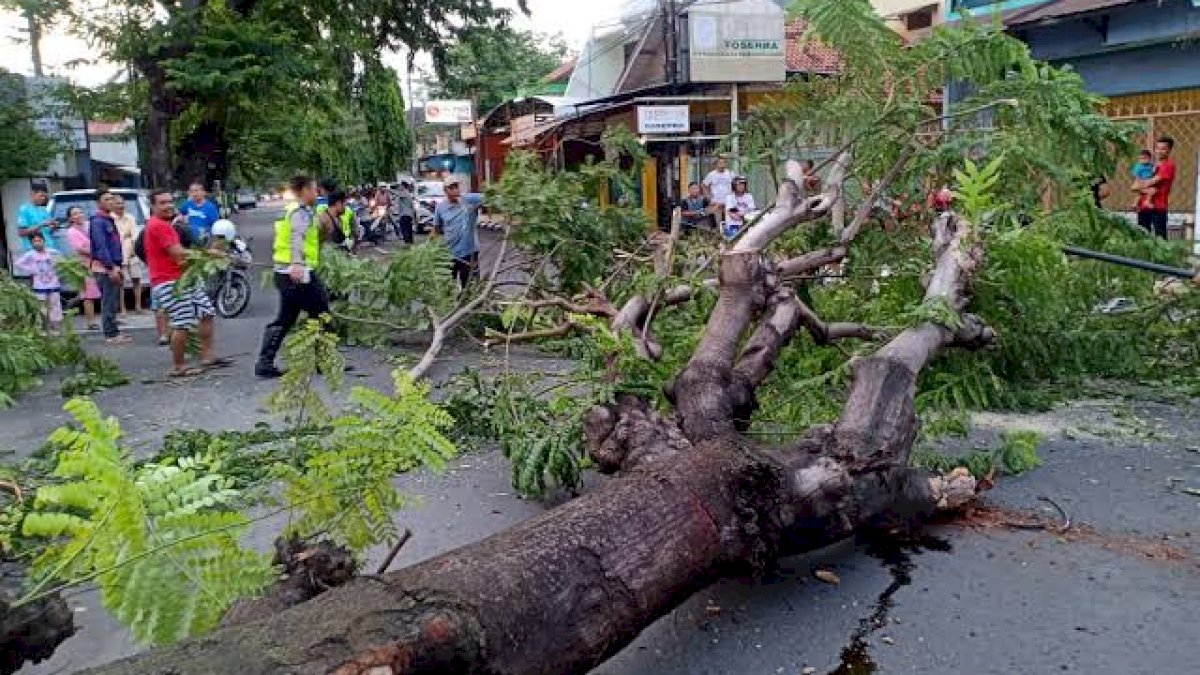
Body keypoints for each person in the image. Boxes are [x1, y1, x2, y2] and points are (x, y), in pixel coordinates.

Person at [255, 175, 332, 379]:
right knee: (322, 312)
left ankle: (264, 362)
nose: (317, 194)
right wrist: (297, 263)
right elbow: (296, 237)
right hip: (298, 272)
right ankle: (324, 362)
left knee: (286, 318)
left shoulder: (291, 210)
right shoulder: (299, 212)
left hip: (285, 272)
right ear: (305, 190)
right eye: (314, 190)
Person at [142, 190, 222, 377]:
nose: (168, 206)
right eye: (162, 203)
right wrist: (209, 254)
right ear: (153, 207)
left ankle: (207, 355)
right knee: (182, 322)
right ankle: (178, 366)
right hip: (170, 281)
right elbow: (178, 253)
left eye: (170, 202)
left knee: (206, 312)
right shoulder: (158, 226)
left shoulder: (167, 224)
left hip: (185, 277)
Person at [89, 191, 130, 345]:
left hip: (113, 266)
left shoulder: (108, 220)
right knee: (108, 301)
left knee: (113, 301)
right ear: (99, 203)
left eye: (112, 198)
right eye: (106, 199)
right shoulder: (98, 222)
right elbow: (101, 247)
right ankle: (111, 334)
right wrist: (111, 267)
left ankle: (114, 332)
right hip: (105, 268)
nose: (111, 201)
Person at [432, 177, 484, 290]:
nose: (455, 190)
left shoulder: (469, 199)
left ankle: (471, 304)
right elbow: (436, 228)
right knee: (447, 287)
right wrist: (433, 248)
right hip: (450, 253)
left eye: (456, 187)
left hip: (469, 252)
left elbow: (489, 198)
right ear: (445, 191)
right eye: (451, 188)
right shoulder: (440, 207)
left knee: (470, 287)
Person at [13, 232, 64, 334]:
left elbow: (62, 263)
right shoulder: (30, 254)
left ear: (43, 241)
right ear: (31, 243)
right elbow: (17, 263)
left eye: (39, 240)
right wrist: (31, 270)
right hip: (39, 285)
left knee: (55, 306)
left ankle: (56, 328)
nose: (37, 243)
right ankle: (44, 328)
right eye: (34, 241)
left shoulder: (53, 252)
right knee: (42, 307)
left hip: (53, 283)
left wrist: (59, 272)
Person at [1133, 136, 1176, 239]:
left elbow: (1150, 182)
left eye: (1163, 148)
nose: (1159, 151)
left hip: (1158, 207)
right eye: (1157, 148)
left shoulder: (1168, 165)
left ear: (1169, 150)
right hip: (1143, 206)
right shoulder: (1150, 165)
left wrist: (1139, 186)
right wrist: (1139, 187)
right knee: (1142, 237)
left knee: (1160, 238)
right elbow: (1134, 185)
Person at [65, 206, 99, 330]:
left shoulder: (89, 226)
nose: (78, 215)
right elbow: (79, 249)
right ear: (70, 218)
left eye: (80, 212)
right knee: (87, 295)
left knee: (101, 291)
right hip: (83, 265)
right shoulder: (71, 232)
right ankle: (90, 322)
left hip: (97, 262)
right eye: (75, 214)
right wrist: (97, 251)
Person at [111, 197, 145, 315]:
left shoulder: (130, 217)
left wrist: (130, 243)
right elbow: (117, 237)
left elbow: (134, 235)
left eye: (122, 203)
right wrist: (125, 237)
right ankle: (123, 308)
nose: (120, 206)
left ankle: (138, 306)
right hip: (118, 254)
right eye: (117, 203)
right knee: (120, 283)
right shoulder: (110, 219)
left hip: (132, 252)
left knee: (137, 279)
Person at [16, 184, 60, 253]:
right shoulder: (24, 209)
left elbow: (46, 230)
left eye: (45, 196)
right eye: (41, 196)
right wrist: (41, 224)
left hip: (49, 249)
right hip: (34, 251)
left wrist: (54, 226)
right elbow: (21, 232)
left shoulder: (43, 210)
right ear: (32, 194)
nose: (43, 198)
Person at [703, 156, 734, 220]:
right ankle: (718, 229)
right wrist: (708, 196)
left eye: (724, 162)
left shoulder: (731, 173)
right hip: (716, 201)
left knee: (729, 219)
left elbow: (735, 185)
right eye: (720, 163)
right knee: (718, 220)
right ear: (716, 164)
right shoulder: (711, 174)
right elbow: (704, 185)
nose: (722, 164)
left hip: (728, 201)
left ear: (726, 164)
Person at [395, 180, 416, 244]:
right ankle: (410, 241)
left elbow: (396, 193)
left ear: (403, 186)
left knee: (404, 229)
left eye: (400, 186)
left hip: (404, 214)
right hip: (408, 214)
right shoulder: (408, 193)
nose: (399, 187)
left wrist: (387, 190)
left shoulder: (404, 192)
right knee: (409, 228)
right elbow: (412, 205)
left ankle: (407, 242)